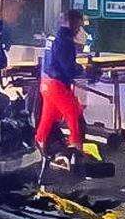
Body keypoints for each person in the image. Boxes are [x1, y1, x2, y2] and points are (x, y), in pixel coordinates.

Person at [35, 10, 88, 172]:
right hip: (57, 84)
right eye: (79, 24)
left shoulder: (53, 38)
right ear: (72, 22)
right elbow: (67, 67)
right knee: (75, 115)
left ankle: (38, 148)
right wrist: (83, 70)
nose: (79, 28)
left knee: (47, 118)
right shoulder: (65, 41)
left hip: (46, 83)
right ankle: (75, 152)